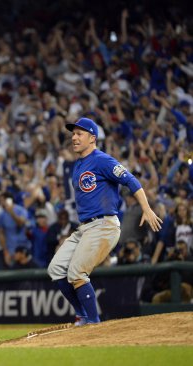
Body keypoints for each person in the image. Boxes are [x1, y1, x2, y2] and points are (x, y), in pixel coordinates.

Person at [47, 117, 162, 325]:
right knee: (55, 268)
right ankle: (82, 314)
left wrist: (146, 208)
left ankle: (93, 321)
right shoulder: (78, 165)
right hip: (85, 227)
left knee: (76, 271)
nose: (74, 137)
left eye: (79, 134)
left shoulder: (102, 160)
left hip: (104, 224)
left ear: (92, 138)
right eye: (73, 134)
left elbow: (131, 180)